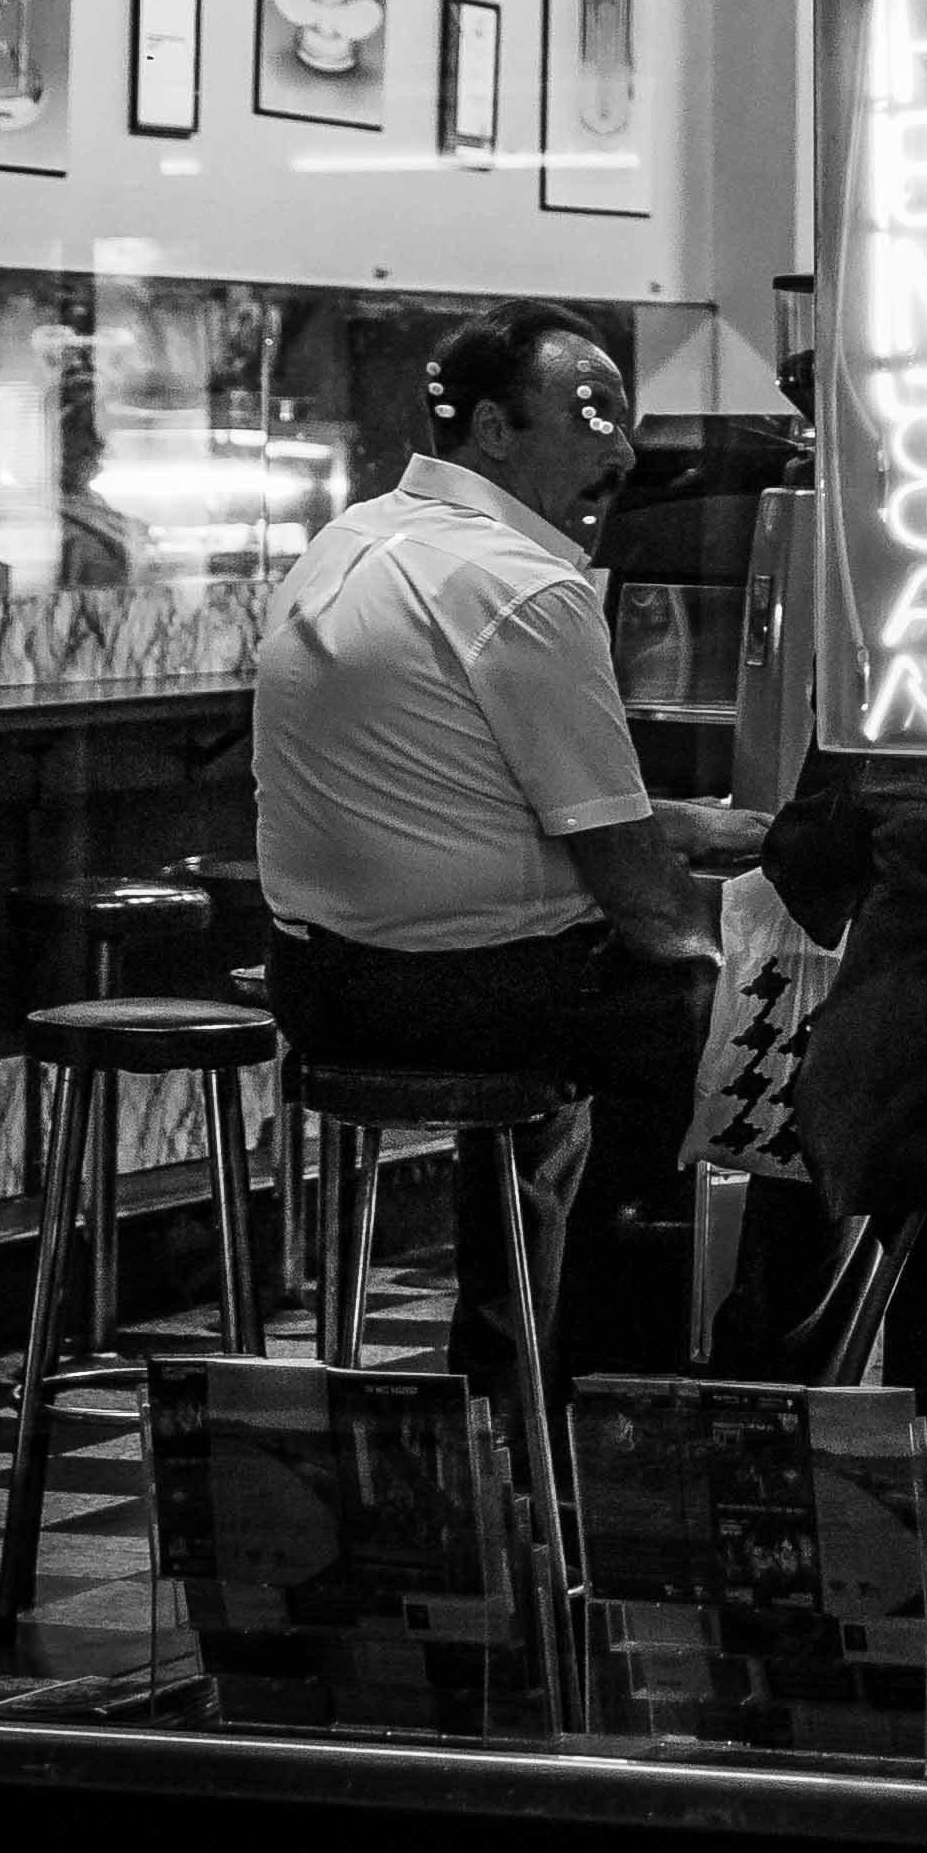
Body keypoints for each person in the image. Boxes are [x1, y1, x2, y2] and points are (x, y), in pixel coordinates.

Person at [255, 298, 727, 1398]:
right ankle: (611, 1401)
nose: (624, 443)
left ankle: (500, 1367)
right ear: (491, 431)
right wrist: (741, 930)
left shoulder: (353, 539)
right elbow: (644, 902)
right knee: (702, 1010)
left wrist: (698, 826)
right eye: (590, 411)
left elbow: (470, 803)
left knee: (572, 1005)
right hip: (462, 994)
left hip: (319, 984)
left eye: (623, 412)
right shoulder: (526, 588)